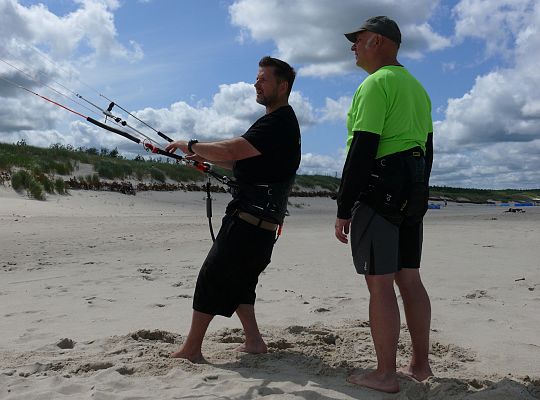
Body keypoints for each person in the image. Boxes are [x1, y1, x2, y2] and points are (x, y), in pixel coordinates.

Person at [165, 56, 300, 363]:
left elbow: (231, 149)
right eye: (257, 78)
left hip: (250, 221)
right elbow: (239, 162)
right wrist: (199, 158)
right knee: (240, 282)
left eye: (263, 79)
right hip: (262, 223)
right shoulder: (279, 124)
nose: (256, 84)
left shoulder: (278, 122)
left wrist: (191, 144)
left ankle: (191, 349)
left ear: (283, 85)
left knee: (211, 276)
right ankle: (254, 341)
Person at [334, 16, 434, 393]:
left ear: (377, 41)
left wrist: (344, 207)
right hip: (413, 190)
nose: (352, 47)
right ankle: (420, 365)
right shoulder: (417, 88)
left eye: (357, 40)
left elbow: (362, 148)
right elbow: (428, 148)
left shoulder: (375, 84)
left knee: (380, 285)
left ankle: (385, 374)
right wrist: (419, 194)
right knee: (410, 278)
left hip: (378, 191)